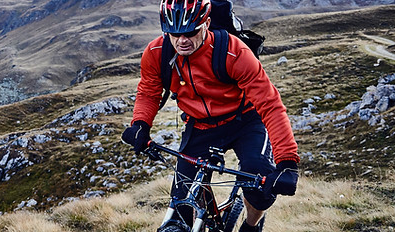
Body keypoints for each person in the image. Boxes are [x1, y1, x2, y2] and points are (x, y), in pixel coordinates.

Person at [120, 0, 299, 231]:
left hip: (245, 121)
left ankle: (252, 224)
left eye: (190, 32)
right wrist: (141, 125)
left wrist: (287, 162)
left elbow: (270, 104)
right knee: (181, 204)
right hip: (201, 126)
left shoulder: (234, 52)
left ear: (206, 23)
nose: (182, 40)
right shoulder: (157, 52)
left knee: (259, 189)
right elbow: (149, 90)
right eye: (174, 33)